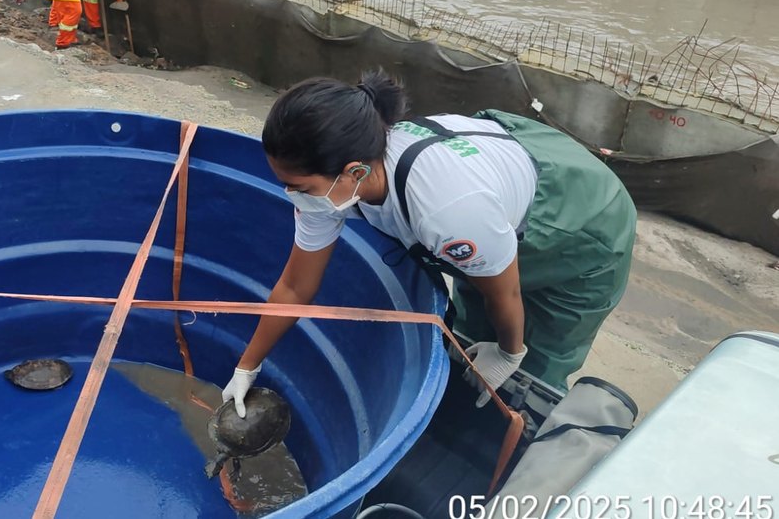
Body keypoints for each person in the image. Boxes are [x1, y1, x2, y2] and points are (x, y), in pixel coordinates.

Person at [223, 71, 637, 417]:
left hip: (581, 226)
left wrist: (511, 352)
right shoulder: (335, 182)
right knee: (471, 340)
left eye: (299, 187)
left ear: (354, 171)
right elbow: (295, 287)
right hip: (496, 199)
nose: (292, 196)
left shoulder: (445, 209)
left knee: (531, 376)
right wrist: (247, 366)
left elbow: (506, 290)